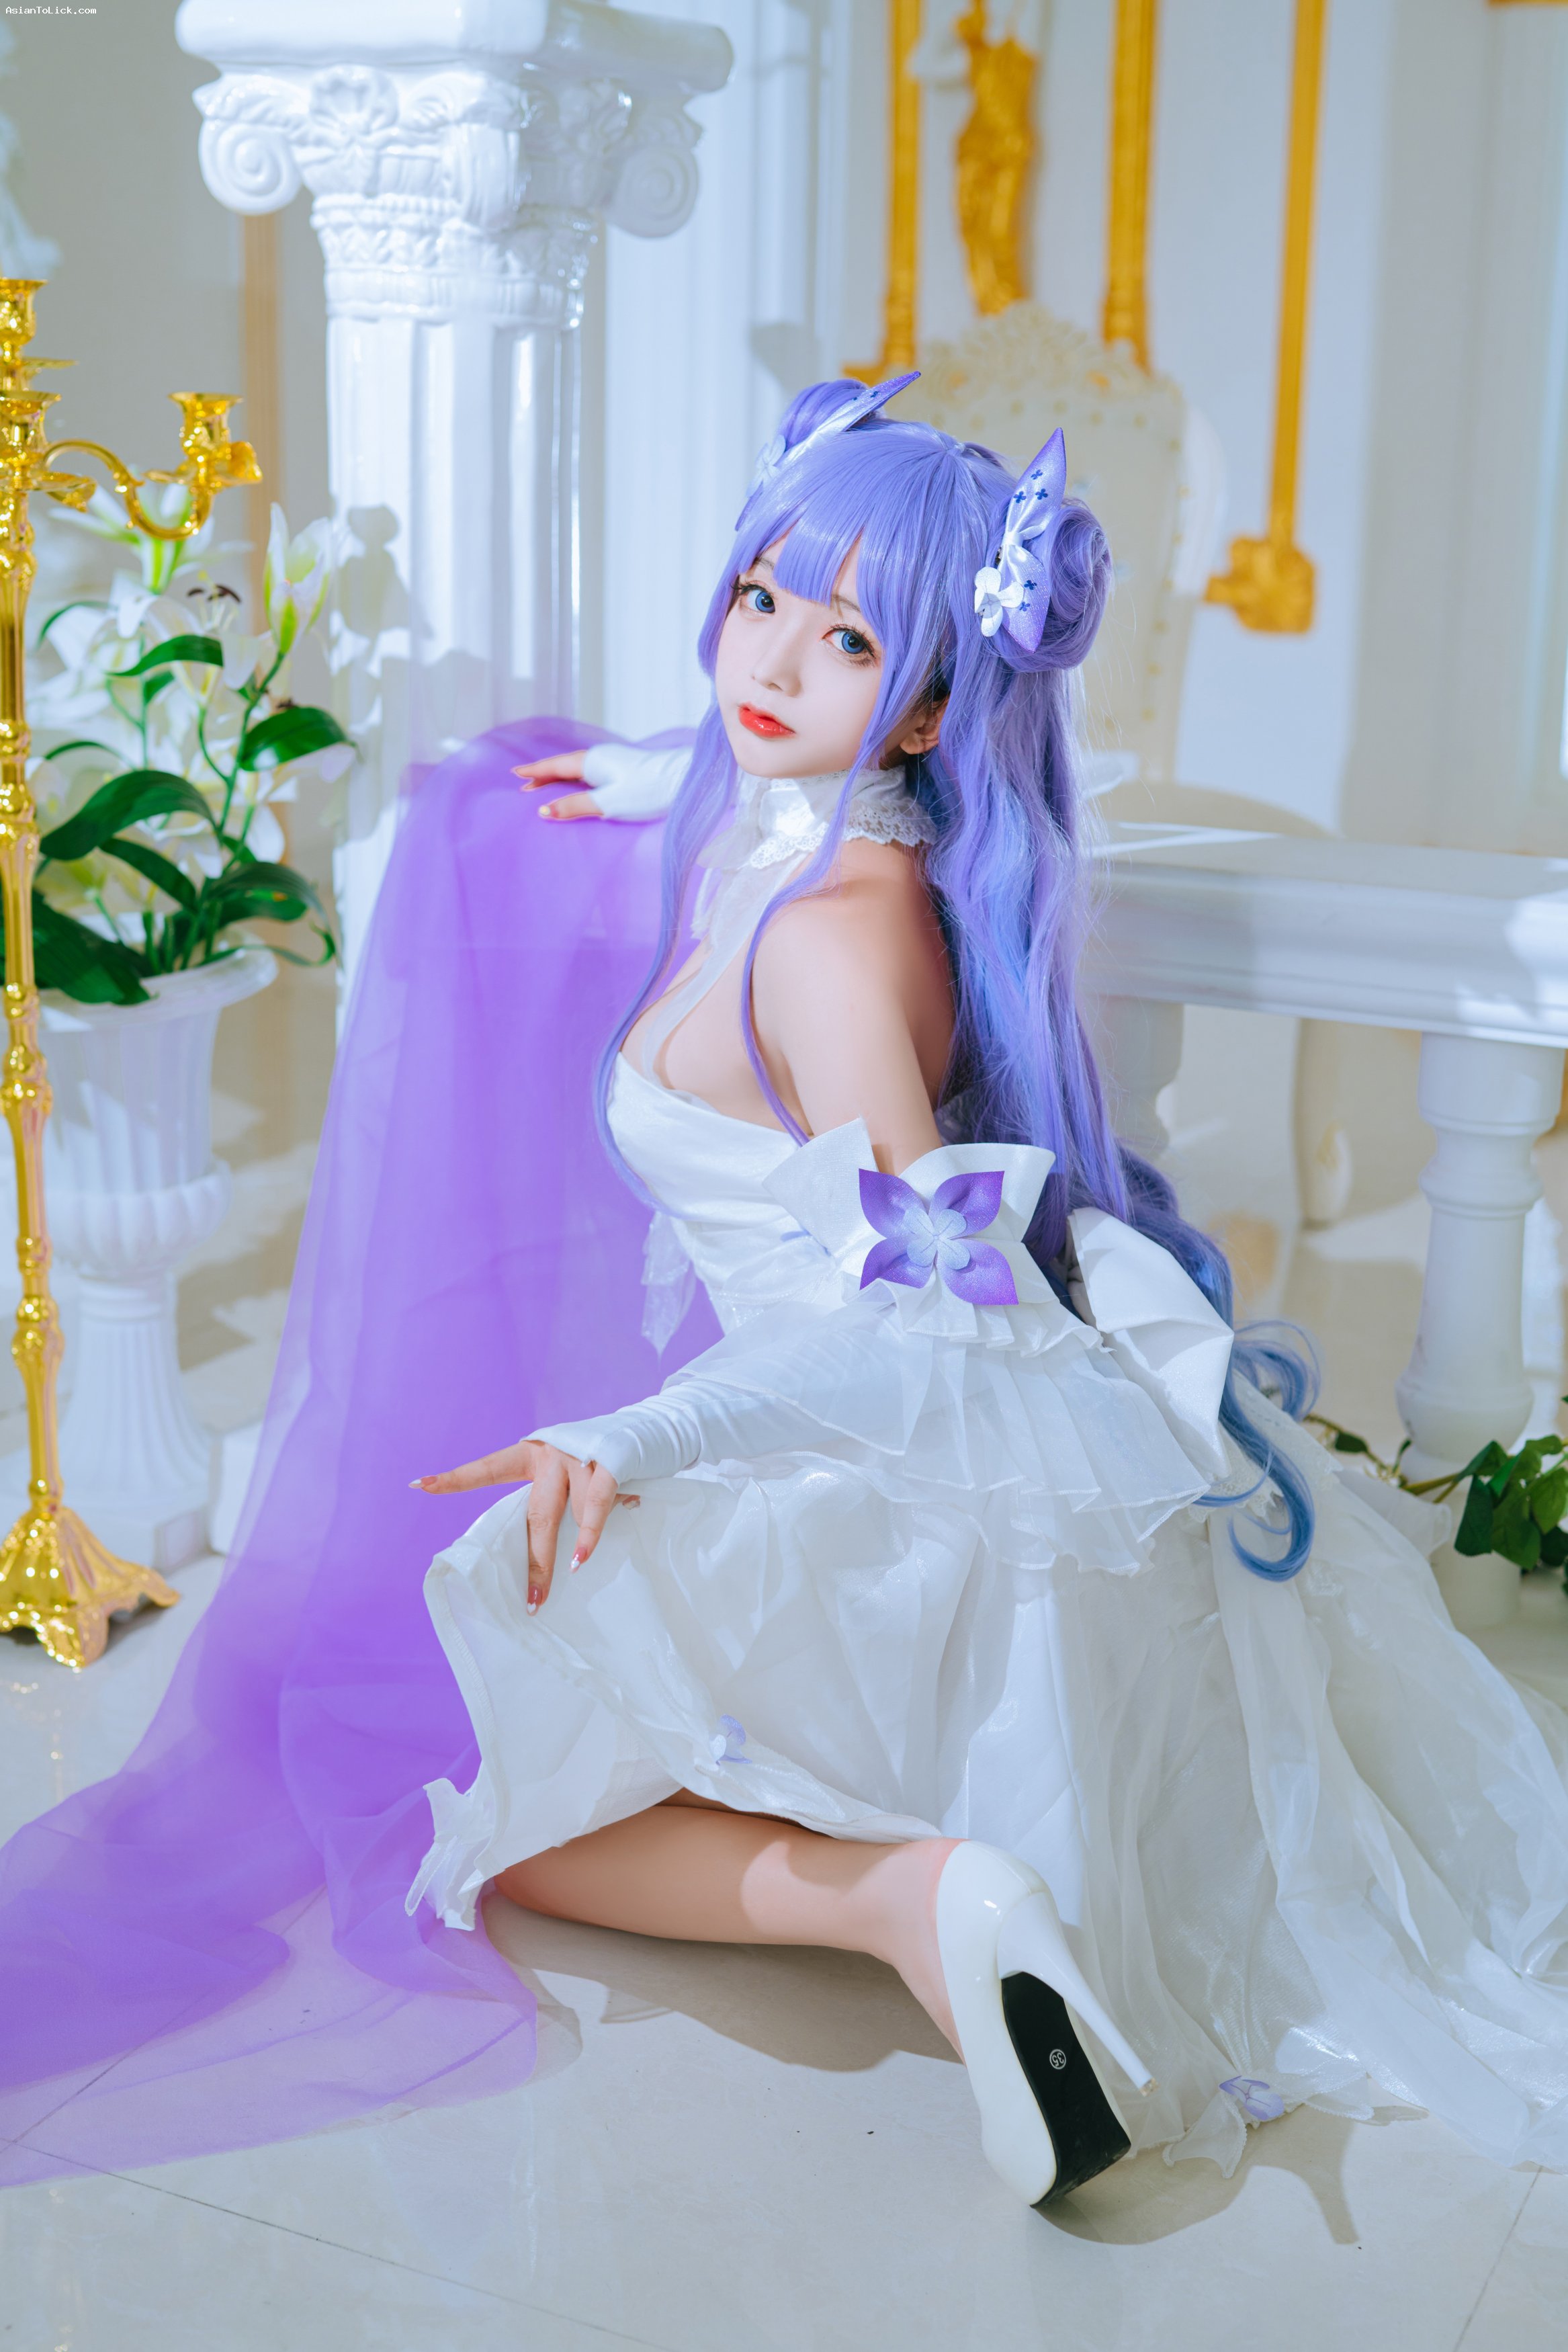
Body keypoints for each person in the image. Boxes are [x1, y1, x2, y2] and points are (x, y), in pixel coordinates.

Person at [397, 378, 1568, 2205]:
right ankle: (927, 1887)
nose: (771, 658)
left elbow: (924, 1317)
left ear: (933, 705)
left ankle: (909, 1901)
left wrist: (650, 1433)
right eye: (762, 597)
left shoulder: (823, 951)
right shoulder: (846, 862)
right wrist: (656, 770)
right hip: (895, 1443)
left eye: (849, 638)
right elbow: (759, 773)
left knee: (504, 1836)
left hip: (888, 1476)